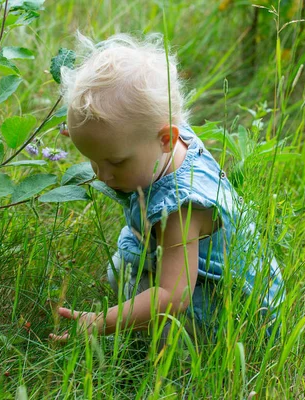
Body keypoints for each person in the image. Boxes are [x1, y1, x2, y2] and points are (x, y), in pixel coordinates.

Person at [49, 32, 284, 346]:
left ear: (166, 139)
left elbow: (173, 298)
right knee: (120, 271)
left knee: (146, 306)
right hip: (198, 270)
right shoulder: (161, 139)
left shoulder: (181, 210)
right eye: (93, 160)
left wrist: (100, 323)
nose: (103, 175)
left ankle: (185, 355)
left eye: (115, 162)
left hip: (238, 313)